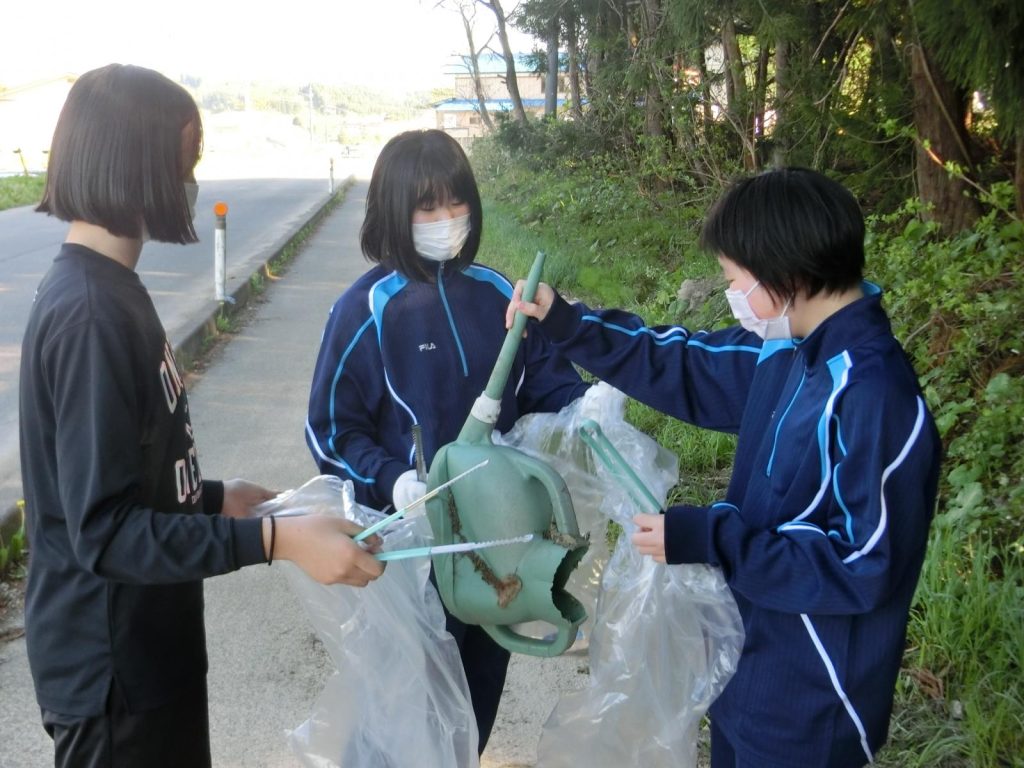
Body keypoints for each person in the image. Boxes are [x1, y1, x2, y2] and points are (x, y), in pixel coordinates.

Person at [506, 167, 942, 768]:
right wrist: (568, 324)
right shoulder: (789, 348)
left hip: (811, 704)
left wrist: (710, 536)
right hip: (746, 664)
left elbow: (860, 567)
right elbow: (682, 362)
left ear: (784, 273)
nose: (731, 293)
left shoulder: (873, 397)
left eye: (735, 279)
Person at [19, 63, 384, 768]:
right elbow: (103, 532)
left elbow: (114, 478)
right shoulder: (91, 314)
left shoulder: (111, 290)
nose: (191, 180)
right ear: (140, 164)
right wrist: (275, 540)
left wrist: (218, 501)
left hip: (149, 653)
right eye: (187, 160)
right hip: (112, 678)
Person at [305, 128, 590, 751]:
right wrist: (394, 479)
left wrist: (591, 408)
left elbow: (547, 386)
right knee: (399, 717)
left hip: (497, 544)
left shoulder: (496, 293)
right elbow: (330, 428)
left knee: (473, 703)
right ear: (392, 211)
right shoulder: (365, 309)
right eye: (427, 206)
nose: (447, 219)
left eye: (457, 202)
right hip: (409, 553)